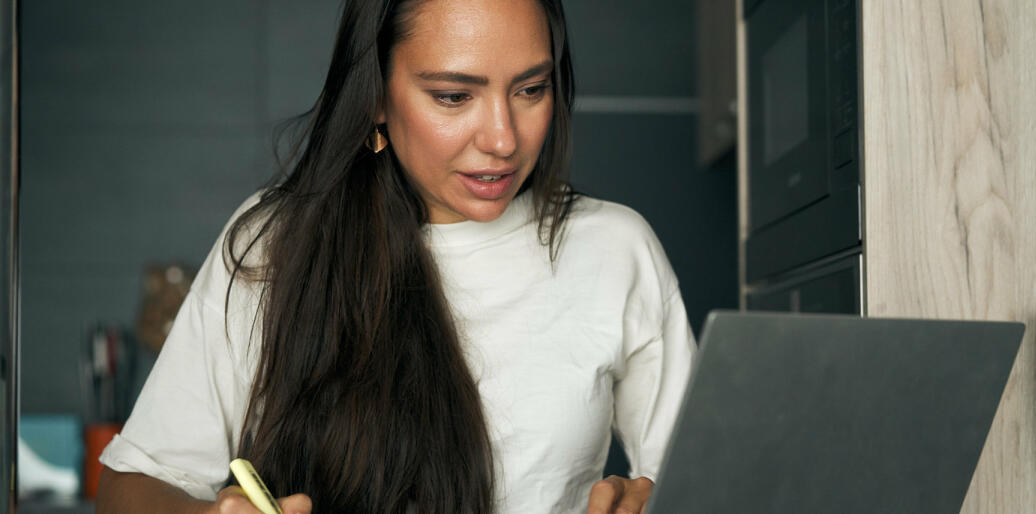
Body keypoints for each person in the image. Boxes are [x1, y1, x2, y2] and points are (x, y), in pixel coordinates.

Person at [95, 0, 696, 512]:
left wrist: (651, 501)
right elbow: (129, 485)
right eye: (454, 95)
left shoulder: (614, 248)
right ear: (376, 98)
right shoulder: (276, 242)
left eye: (531, 89)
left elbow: (715, 485)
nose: (503, 139)